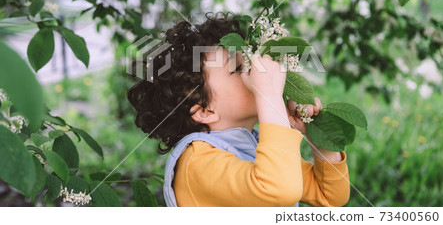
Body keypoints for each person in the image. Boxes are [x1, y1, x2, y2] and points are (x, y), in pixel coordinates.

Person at [128, 12, 350, 207]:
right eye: (238, 68)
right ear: (205, 111)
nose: (254, 69)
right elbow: (279, 190)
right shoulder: (197, 162)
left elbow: (330, 196)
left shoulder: (252, 148)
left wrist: (318, 140)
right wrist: (270, 97)